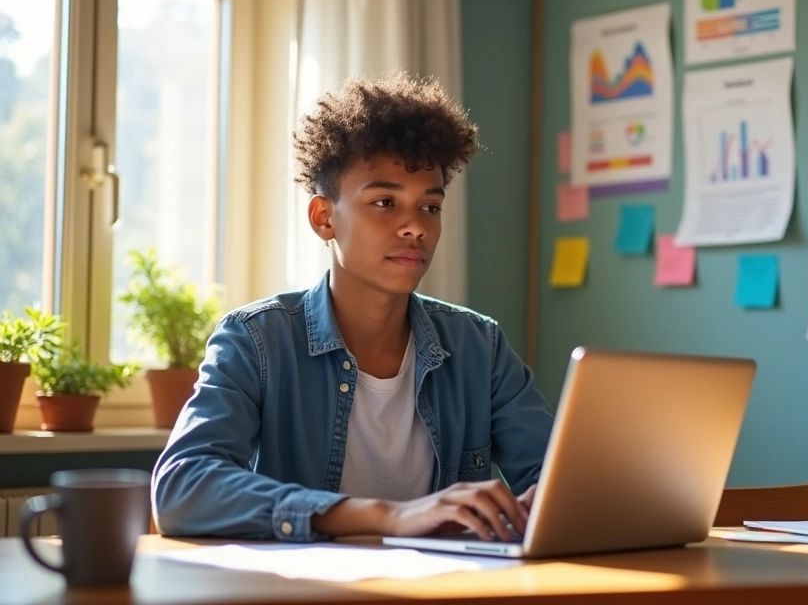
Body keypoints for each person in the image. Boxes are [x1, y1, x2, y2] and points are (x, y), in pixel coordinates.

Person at [151, 73, 554, 543]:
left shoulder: (479, 347)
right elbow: (182, 488)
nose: (414, 228)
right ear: (324, 218)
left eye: (430, 207)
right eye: (385, 202)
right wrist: (385, 516)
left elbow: (560, 482)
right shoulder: (256, 340)